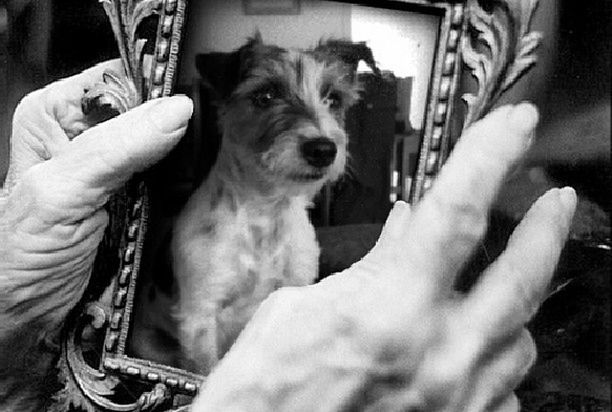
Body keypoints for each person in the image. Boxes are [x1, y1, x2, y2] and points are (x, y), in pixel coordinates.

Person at [0, 61, 576, 412]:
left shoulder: (302, 238)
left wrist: (12, 306)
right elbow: (197, 328)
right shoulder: (201, 229)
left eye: (329, 101)